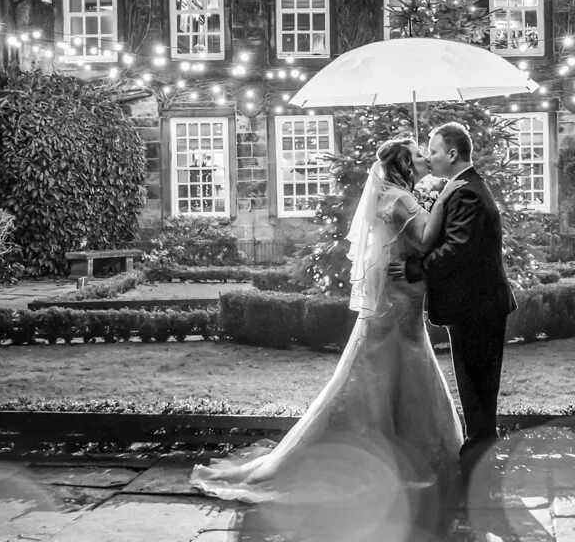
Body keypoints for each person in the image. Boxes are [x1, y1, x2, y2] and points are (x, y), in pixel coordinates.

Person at [190, 137, 468, 516]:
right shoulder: (401, 200)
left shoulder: (394, 196)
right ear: (405, 165)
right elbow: (426, 237)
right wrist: (442, 203)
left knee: (388, 370)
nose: (424, 158)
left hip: (400, 296)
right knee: (398, 368)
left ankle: (394, 454)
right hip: (400, 301)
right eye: (418, 154)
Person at [405, 121, 517, 481]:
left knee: (477, 385)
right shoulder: (463, 186)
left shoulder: (466, 191)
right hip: (477, 304)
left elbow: (457, 249)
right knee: (477, 386)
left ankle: (479, 460)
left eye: (433, 151)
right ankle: (481, 454)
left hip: (477, 306)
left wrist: (417, 265)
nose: (429, 157)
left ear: (452, 154)